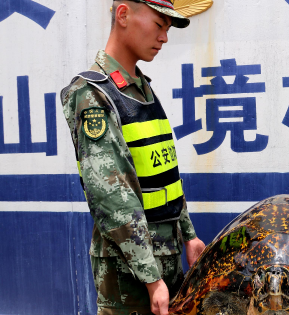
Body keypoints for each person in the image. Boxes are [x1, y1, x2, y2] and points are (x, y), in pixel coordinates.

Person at [60, 1, 206, 314]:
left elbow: (164, 178)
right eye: (158, 24)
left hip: (164, 261)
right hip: (129, 275)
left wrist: (189, 236)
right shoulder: (92, 94)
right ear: (124, 14)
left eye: (168, 29)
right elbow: (112, 196)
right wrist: (151, 279)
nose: (164, 37)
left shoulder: (142, 92)